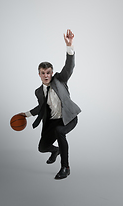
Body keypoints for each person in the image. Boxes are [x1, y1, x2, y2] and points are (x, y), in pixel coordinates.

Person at [20, 29, 81, 180]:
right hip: (52, 122)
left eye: (48, 72)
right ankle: (56, 151)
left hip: (68, 118)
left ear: (52, 73)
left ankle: (65, 167)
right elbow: (40, 108)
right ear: (39, 74)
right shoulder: (38, 92)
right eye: (43, 73)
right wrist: (26, 114)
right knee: (42, 147)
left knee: (61, 131)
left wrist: (69, 46)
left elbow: (69, 66)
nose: (46, 75)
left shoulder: (60, 80)